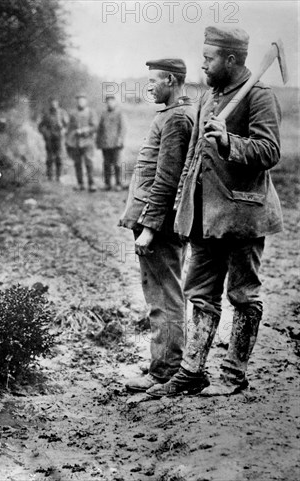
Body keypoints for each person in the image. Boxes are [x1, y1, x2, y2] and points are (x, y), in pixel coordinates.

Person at [148, 26, 283, 397]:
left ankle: (232, 377)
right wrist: (181, 207)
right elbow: (193, 157)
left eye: (208, 58)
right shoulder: (209, 97)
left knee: (243, 295)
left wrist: (229, 141)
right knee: (200, 294)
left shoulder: (259, 97)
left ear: (231, 59)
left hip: (243, 216)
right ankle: (192, 371)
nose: (202, 65)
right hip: (204, 216)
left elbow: (269, 152)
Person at [119, 59, 196, 392]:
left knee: (164, 297)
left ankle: (165, 371)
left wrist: (149, 226)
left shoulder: (177, 118)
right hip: (155, 219)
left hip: (160, 224)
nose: (148, 87)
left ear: (170, 79)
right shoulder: (171, 114)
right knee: (161, 294)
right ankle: (163, 366)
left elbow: (167, 179)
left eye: (153, 81)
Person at [66, 93, 98, 192]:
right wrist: (68, 140)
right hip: (76, 143)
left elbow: (95, 127)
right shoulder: (73, 113)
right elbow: (70, 128)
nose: (80, 102)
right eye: (79, 100)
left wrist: (84, 130)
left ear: (86, 101)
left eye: (82, 100)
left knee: (89, 163)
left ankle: (91, 184)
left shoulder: (91, 112)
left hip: (87, 142)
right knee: (77, 164)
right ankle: (80, 184)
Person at [97, 94, 126, 191]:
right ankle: (107, 184)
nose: (110, 103)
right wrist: (98, 142)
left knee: (117, 164)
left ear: (115, 102)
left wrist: (120, 140)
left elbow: (122, 128)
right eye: (108, 102)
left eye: (112, 101)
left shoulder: (119, 114)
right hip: (105, 144)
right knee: (106, 164)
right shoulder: (103, 114)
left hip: (116, 144)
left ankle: (118, 183)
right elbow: (100, 129)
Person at [38, 98, 69, 181]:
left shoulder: (62, 113)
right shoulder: (47, 114)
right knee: (49, 157)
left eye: (55, 102)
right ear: (50, 104)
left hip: (59, 138)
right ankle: (49, 176)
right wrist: (45, 133)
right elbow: (40, 126)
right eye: (52, 103)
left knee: (59, 157)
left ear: (58, 103)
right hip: (49, 138)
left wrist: (64, 131)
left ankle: (58, 176)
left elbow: (67, 126)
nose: (54, 104)